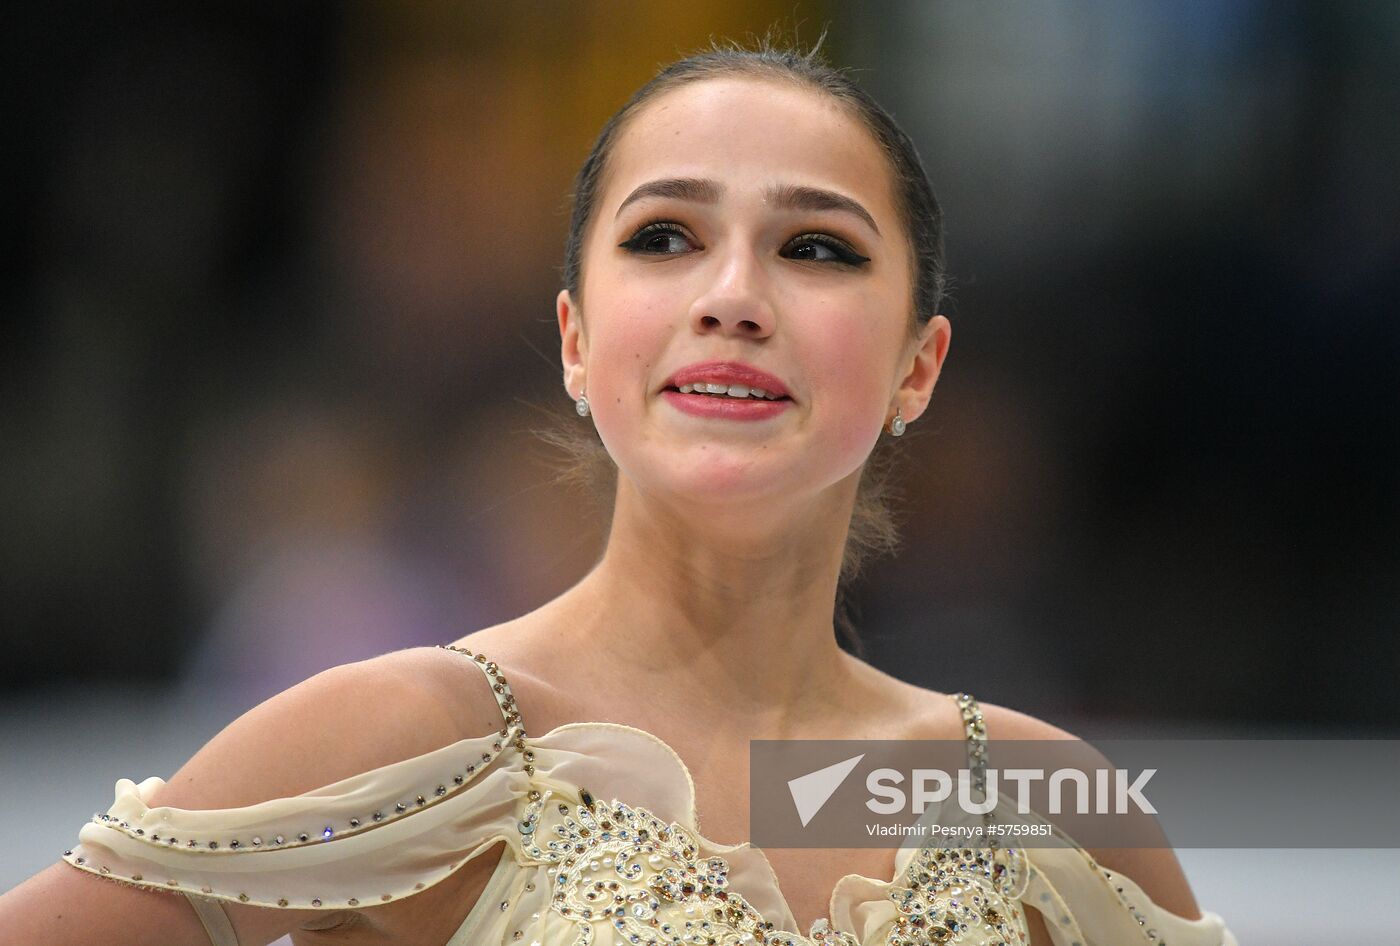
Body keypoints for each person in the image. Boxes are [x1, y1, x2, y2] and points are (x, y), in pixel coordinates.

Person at [0, 37, 1237, 946]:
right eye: (663, 237)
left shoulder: (1020, 795)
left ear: (919, 365)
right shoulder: (422, 736)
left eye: (816, 247)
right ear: (576, 341)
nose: (733, 295)